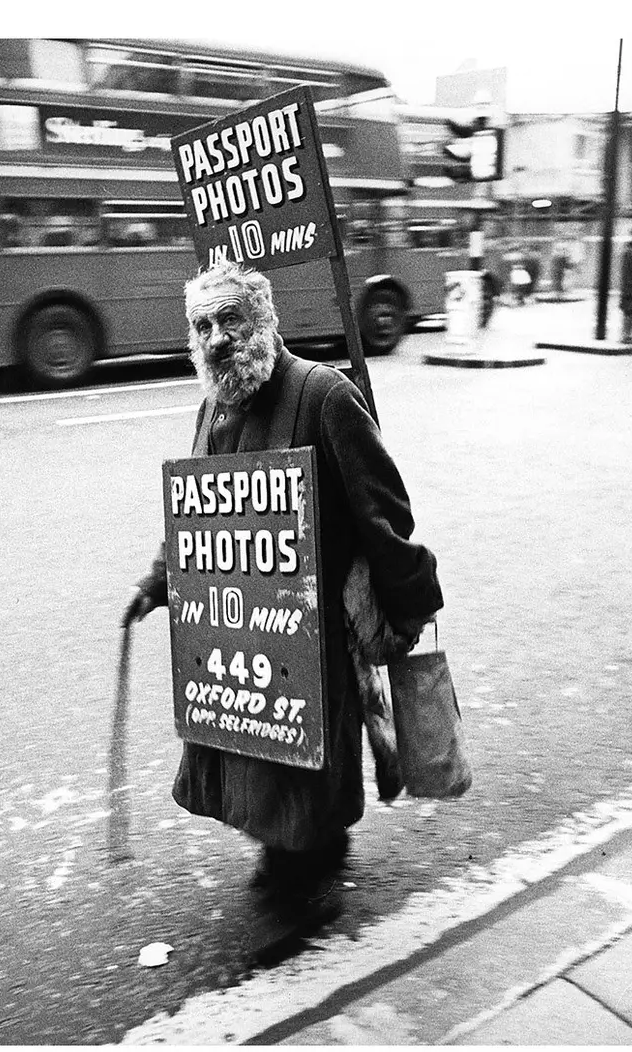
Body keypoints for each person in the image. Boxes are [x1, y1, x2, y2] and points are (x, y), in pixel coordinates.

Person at [122, 261, 442, 923]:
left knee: (302, 770)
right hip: (243, 629)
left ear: (265, 321)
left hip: (313, 631)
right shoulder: (213, 405)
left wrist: (411, 601)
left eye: (230, 320)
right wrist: (158, 581)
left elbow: (384, 515)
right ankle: (292, 851)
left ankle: (307, 855)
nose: (215, 338)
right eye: (202, 325)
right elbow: (197, 515)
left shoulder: (325, 395)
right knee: (255, 754)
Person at [619, 228, 632, 344]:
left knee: (629, 312)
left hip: (628, 286)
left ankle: (626, 335)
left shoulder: (628, 250)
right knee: (630, 312)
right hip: (631, 287)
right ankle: (626, 336)